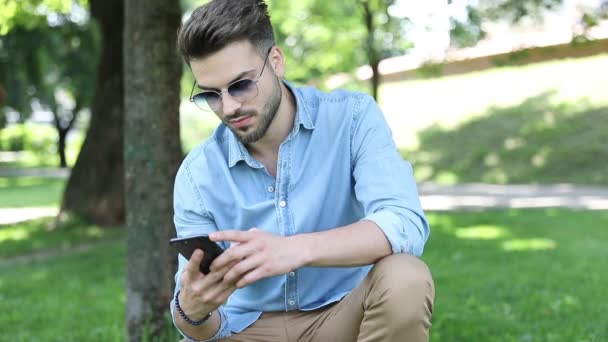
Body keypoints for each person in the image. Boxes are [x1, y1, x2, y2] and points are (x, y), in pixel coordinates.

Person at [171, 0, 434, 341]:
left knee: (405, 276)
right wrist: (190, 312)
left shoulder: (351, 119)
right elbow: (199, 328)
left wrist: (294, 249)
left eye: (241, 85)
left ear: (275, 62)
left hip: (342, 317)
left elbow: (404, 222)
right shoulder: (197, 173)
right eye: (211, 94)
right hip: (245, 328)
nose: (230, 106)